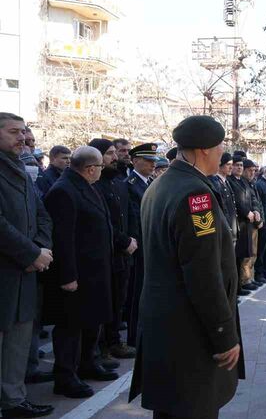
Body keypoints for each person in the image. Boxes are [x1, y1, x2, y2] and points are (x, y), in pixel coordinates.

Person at [128, 115, 244, 419]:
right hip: (190, 331)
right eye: (220, 146)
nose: (223, 153)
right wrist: (223, 333)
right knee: (193, 408)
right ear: (204, 149)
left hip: (166, 326)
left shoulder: (161, 185)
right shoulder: (196, 195)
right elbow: (203, 273)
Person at [43, 146, 117, 398]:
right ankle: (65, 376)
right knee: (70, 327)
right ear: (90, 168)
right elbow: (63, 238)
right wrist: (68, 276)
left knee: (91, 321)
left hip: (94, 271)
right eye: (99, 167)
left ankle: (88, 363)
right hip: (77, 273)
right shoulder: (64, 191)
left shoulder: (84, 185)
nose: (101, 171)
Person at [0, 112, 54, 419]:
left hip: (26, 271)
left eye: (23, 132)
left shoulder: (21, 167)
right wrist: (30, 253)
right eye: (13, 132)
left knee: (19, 342)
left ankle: (14, 400)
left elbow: (42, 214)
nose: (22, 137)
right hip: (6, 270)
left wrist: (42, 249)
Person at [89, 139, 137, 361]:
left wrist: (131, 240)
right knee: (103, 304)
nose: (115, 158)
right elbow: (103, 222)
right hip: (106, 252)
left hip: (123, 252)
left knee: (118, 299)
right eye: (110, 154)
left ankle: (113, 342)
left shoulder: (117, 181)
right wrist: (123, 241)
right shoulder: (93, 184)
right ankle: (100, 349)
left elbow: (125, 216)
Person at [125, 143, 158, 349]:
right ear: (136, 160)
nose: (153, 164)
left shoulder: (150, 182)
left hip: (152, 244)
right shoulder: (130, 184)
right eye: (149, 160)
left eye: (154, 160)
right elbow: (137, 217)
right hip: (141, 245)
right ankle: (134, 337)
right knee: (137, 293)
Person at [229, 156, 262, 291]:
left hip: (249, 221)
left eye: (241, 165)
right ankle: (242, 282)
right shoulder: (231, 182)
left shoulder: (244, 182)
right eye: (236, 165)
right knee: (240, 255)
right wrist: (246, 211)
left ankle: (246, 280)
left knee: (249, 252)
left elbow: (252, 198)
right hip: (240, 222)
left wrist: (255, 210)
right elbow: (236, 200)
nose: (239, 168)